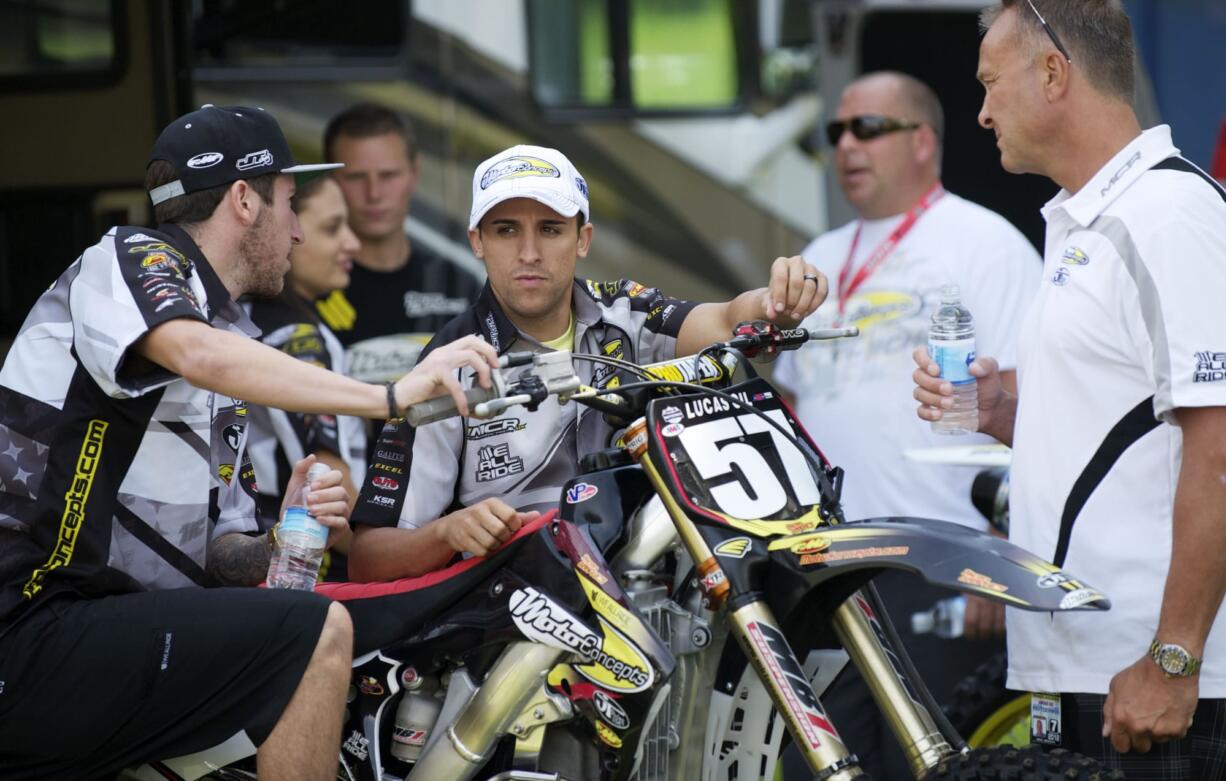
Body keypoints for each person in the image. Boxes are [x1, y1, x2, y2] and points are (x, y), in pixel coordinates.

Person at [0, 104, 499, 780]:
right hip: (27, 627)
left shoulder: (229, 343)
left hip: (96, 631)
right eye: (292, 205)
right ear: (243, 200)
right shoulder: (128, 259)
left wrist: (281, 535)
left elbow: (221, 557)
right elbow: (193, 350)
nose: (297, 232)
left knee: (321, 642)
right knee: (316, 634)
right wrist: (389, 396)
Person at [914, 1, 1226, 774]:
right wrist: (1007, 411)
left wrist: (1174, 659)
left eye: (990, 84)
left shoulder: (1167, 214)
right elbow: (1132, 430)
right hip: (1085, 672)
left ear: (1054, 72)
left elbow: (1220, 452)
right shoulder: (1086, 222)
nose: (981, 113)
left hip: (1162, 683)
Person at [347, 144, 828, 582]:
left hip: (656, 592)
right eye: (506, 230)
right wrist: (446, 533)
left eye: (551, 229)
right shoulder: (448, 362)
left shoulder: (627, 312)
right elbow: (368, 558)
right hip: (516, 627)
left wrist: (777, 300)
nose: (529, 253)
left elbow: (725, 320)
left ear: (583, 238)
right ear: (477, 241)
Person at [771, 71, 1040, 779]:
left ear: (923, 141)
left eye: (868, 128)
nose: (847, 146)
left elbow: (1028, 401)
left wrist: (1003, 546)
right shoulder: (821, 255)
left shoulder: (987, 242)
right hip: (829, 568)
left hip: (939, 561)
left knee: (930, 765)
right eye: (836, 132)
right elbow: (797, 406)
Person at [246, 175, 366, 581]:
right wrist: (393, 551)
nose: (352, 243)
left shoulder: (249, 321)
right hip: (307, 567)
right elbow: (325, 474)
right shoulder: (296, 337)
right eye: (333, 228)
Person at [318, 103, 483, 387]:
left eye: (388, 175)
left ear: (414, 174)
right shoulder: (313, 288)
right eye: (356, 177)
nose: (374, 194)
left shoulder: (456, 284)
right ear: (331, 181)